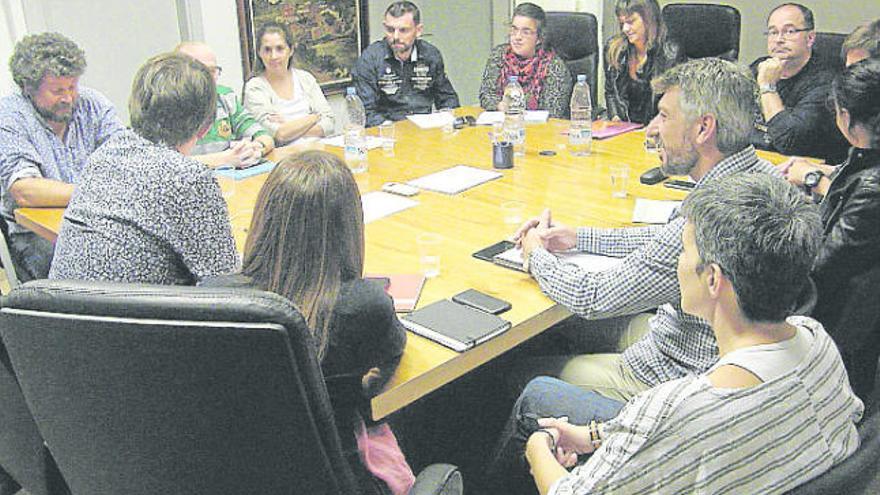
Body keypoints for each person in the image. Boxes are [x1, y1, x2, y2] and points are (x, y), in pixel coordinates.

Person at [516, 173, 863, 495]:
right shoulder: (817, 342)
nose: (678, 261)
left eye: (684, 251)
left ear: (712, 279)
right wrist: (593, 436)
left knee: (530, 399)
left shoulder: (679, 409)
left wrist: (538, 445)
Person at [202, 150, 409, 494]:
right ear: (349, 226)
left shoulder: (213, 297)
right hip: (339, 478)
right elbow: (392, 352)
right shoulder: (363, 304)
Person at [49, 52, 237, 285]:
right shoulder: (187, 178)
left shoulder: (104, 154)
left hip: (63, 313)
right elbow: (222, 280)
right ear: (205, 127)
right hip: (129, 317)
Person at [780, 58, 880, 395]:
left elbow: (823, 265)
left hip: (842, 329)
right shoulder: (866, 158)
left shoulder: (871, 190)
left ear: (847, 119)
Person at [0, 32, 123, 281]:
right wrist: (98, 192)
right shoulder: (10, 115)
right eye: (57, 91)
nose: (68, 98)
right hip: (34, 233)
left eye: (72, 86)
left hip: (99, 219)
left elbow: (128, 158)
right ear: (27, 88)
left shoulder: (92, 104)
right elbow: (24, 190)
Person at [749, 3, 849, 163]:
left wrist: (767, 87)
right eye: (773, 32)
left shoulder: (827, 82)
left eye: (789, 31)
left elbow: (788, 141)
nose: (779, 40)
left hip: (802, 169)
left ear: (810, 38)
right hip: (758, 159)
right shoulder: (758, 68)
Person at [353, 1, 460, 127]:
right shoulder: (370, 59)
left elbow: (447, 98)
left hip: (424, 131)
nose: (396, 37)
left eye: (403, 30)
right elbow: (366, 111)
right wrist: (395, 130)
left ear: (418, 30)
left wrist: (447, 118)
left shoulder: (430, 55)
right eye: (390, 30)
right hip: (387, 132)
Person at [175, 41, 274, 168]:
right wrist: (224, 159)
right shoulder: (169, 105)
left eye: (212, 70)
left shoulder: (225, 97)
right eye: (200, 70)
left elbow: (264, 136)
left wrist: (256, 149)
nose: (208, 77)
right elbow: (167, 164)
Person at [243, 22, 335, 144]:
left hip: (318, 152)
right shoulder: (254, 88)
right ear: (259, 53)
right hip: (281, 157)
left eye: (280, 49)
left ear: (290, 50)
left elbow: (330, 123)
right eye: (267, 50)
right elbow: (278, 134)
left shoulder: (306, 79)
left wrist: (289, 126)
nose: (273, 56)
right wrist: (314, 117)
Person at [478, 3, 571, 119]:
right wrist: (500, 105)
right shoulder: (499, 55)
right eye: (514, 30)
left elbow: (553, 111)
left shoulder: (554, 67)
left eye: (525, 32)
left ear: (539, 38)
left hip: (541, 131)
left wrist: (514, 107)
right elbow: (486, 95)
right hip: (504, 126)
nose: (517, 37)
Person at [603, 0, 684, 124]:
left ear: (649, 19)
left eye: (630, 22)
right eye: (622, 22)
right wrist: (616, 120)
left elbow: (674, 104)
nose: (625, 29)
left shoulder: (670, 54)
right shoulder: (614, 50)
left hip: (658, 130)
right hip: (624, 129)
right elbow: (611, 93)